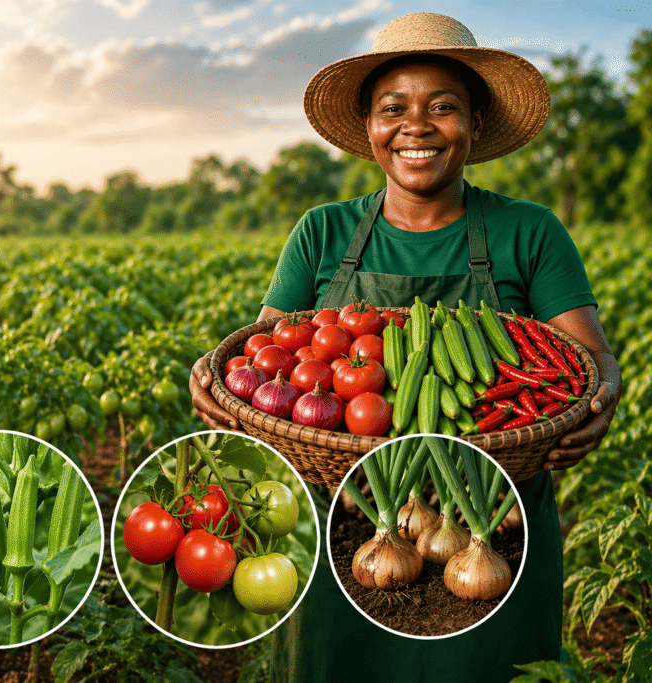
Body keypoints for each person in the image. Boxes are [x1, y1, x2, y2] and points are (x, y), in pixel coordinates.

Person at [188, 12, 621, 682]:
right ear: (369, 129)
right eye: (394, 108)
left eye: (443, 107)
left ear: (475, 124)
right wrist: (218, 386)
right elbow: (263, 357)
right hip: (343, 524)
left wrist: (605, 394)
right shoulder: (322, 232)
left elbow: (590, 361)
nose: (416, 126)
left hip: (492, 528)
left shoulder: (528, 232)